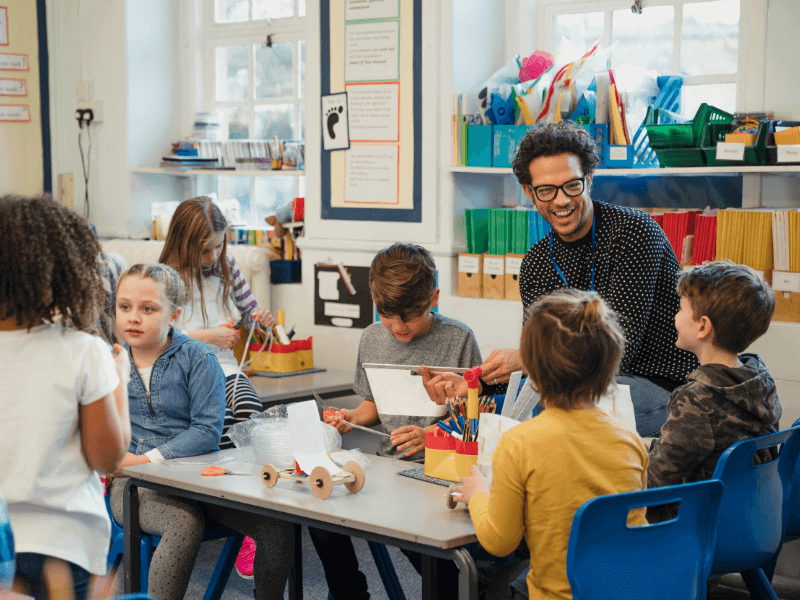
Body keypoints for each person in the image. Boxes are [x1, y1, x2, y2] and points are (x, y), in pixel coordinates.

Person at [428, 120, 698, 437]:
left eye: (572, 185)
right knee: (487, 413)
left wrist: (527, 359)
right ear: (529, 192)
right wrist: (477, 385)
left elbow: (618, 352)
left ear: (590, 179)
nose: (561, 201)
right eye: (546, 190)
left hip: (663, 387)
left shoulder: (634, 233)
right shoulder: (537, 263)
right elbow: (544, 357)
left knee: (542, 416)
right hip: (580, 388)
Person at [315, 243, 525, 600]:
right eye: (386, 314)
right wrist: (351, 417)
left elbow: (475, 415)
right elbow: (373, 404)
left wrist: (431, 434)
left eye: (409, 316)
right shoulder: (372, 337)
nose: (398, 327)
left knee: (431, 556)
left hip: (441, 471)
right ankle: (350, 592)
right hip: (386, 469)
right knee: (321, 520)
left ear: (434, 298)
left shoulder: (458, 338)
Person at [107, 263, 294, 600]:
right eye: (124, 307)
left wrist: (145, 459)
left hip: (198, 479)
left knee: (276, 523)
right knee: (183, 523)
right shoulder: (109, 361)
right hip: (134, 486)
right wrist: (129, 465)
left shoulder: (199, 357)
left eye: (147, 309)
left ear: (175, 315)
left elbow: (206, 432)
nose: (133, 318)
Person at [454, 289, 648, 600]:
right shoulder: (630, 439)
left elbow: (499, 541)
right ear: (609, 365)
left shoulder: (519, 442)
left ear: (530, 365)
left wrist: (478, 494)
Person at [0, 194, 131, 600]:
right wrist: (119, 380)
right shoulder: (82, 351)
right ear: (65, 271)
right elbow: (107, 458)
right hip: (60, 542)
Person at [159, 196, 276, 578]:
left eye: (219, 245)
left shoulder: (229, 272)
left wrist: (261, 320)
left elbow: (251, 317)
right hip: (181, 377)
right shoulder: (161, 279)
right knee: (215, 429)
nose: (213, 255)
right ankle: (233, 511)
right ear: (183, 242)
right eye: (205, 248)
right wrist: (204, 336)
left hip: (224, 371)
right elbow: (155, 339)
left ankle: (250, 523)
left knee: (251, 418)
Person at [646, 260, 780, 522]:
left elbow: (655, 481)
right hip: (755, 519)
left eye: (680, 308)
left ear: (703, 327)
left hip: (699, 527)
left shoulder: (696, 399)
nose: (675, 316)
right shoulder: (761, 379)